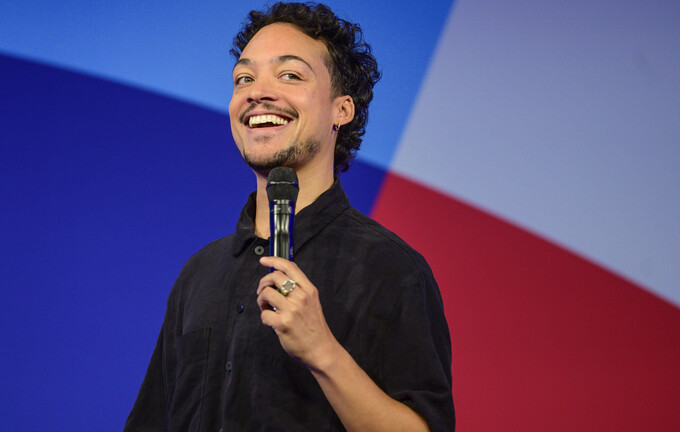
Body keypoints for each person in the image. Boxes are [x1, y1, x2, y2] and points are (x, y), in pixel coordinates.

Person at [124, 3, 454, 431]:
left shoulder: (390, 269)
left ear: (342, 110)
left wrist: (323, 352)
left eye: (290, 75)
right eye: (244, 78)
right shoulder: (199, 274)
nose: (257, 92)